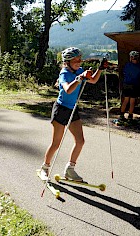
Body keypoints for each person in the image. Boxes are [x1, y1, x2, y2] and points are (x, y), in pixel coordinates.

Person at [39, 47, 109, 182]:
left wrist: (100, 68)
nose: (78, 62)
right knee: (56, 143)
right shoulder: (64, 73)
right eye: (75, 60)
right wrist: (78, 78)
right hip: (61, 109)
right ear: (67, 62)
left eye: (79, 59)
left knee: (80, 141)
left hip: (72, 109)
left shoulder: (79, 71)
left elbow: (93, 80)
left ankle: (70, 169)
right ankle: (45, 168)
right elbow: (68, 90)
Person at [119, 50, 140, 123]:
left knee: (125, 100)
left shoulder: (127, 65)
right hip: (135, 85)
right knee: (132, 101)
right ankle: (130, 116)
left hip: (126, 84)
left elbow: (124, 73)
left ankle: (121, 115)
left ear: (131, 58)